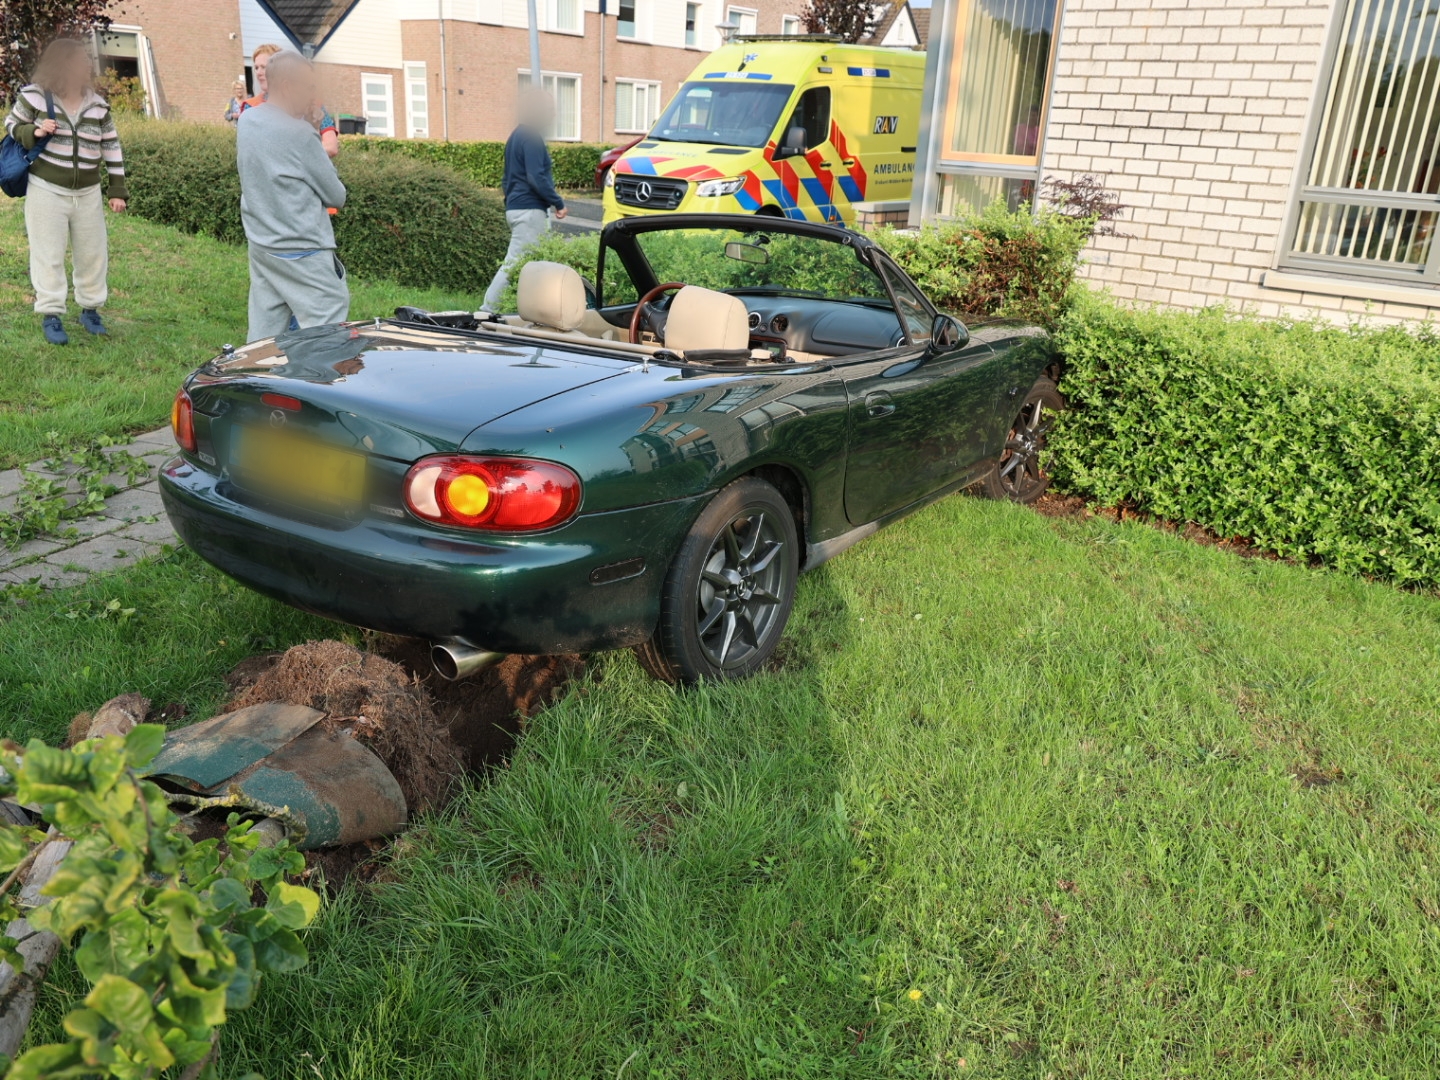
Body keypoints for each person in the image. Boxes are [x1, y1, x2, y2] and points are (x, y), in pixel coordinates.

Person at [4, 37, 128, 346]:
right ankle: (51, 314)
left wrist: (117, 189)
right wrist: (33, 131)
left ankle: (90, 310)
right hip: (46, 188)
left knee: (92, 254)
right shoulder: (34, 97)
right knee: (49, 254)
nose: (88, 65)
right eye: (81, 60)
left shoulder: (98, 105)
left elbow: (111, 146)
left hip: (87, 193)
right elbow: (10, 125)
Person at [237, 51, 349, 342]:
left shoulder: (247, 121)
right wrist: (312, 128)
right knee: (327, 336)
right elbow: (337, 196)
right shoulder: (301, 135)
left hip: (263, 245)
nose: (313, 94)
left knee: (263, 339)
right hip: (304, 250)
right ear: (288, 86)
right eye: (308, 86)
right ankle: (317, 384)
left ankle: (253, 382)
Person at [482, 89, 569, 312]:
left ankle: (534, 309)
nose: (553, 115)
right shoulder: (531, 137)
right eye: (549, 110)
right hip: (530, 209)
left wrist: (511, 202)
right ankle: (486, 311)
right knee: (515, 264)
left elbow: (507, 177)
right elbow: (535, 176)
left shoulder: (516, 136)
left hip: (518, 207)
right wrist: (557, 202)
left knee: (535, 264)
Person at [240, 44, 339, 159]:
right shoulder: (250, 108)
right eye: (256, 67)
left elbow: (331, 147)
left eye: (264, 67)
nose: (259, 72)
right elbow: (251, 150)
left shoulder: (311, 103)